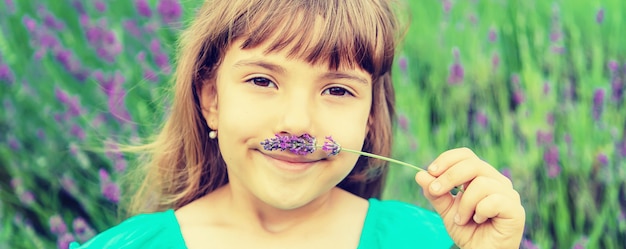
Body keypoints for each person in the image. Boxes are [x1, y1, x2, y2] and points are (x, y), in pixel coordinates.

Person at [71, 0, 525, 248]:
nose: (297, 122)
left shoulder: (432, 243)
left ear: (369, 118)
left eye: (337, 90)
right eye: (262, 80)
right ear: (211, 100)